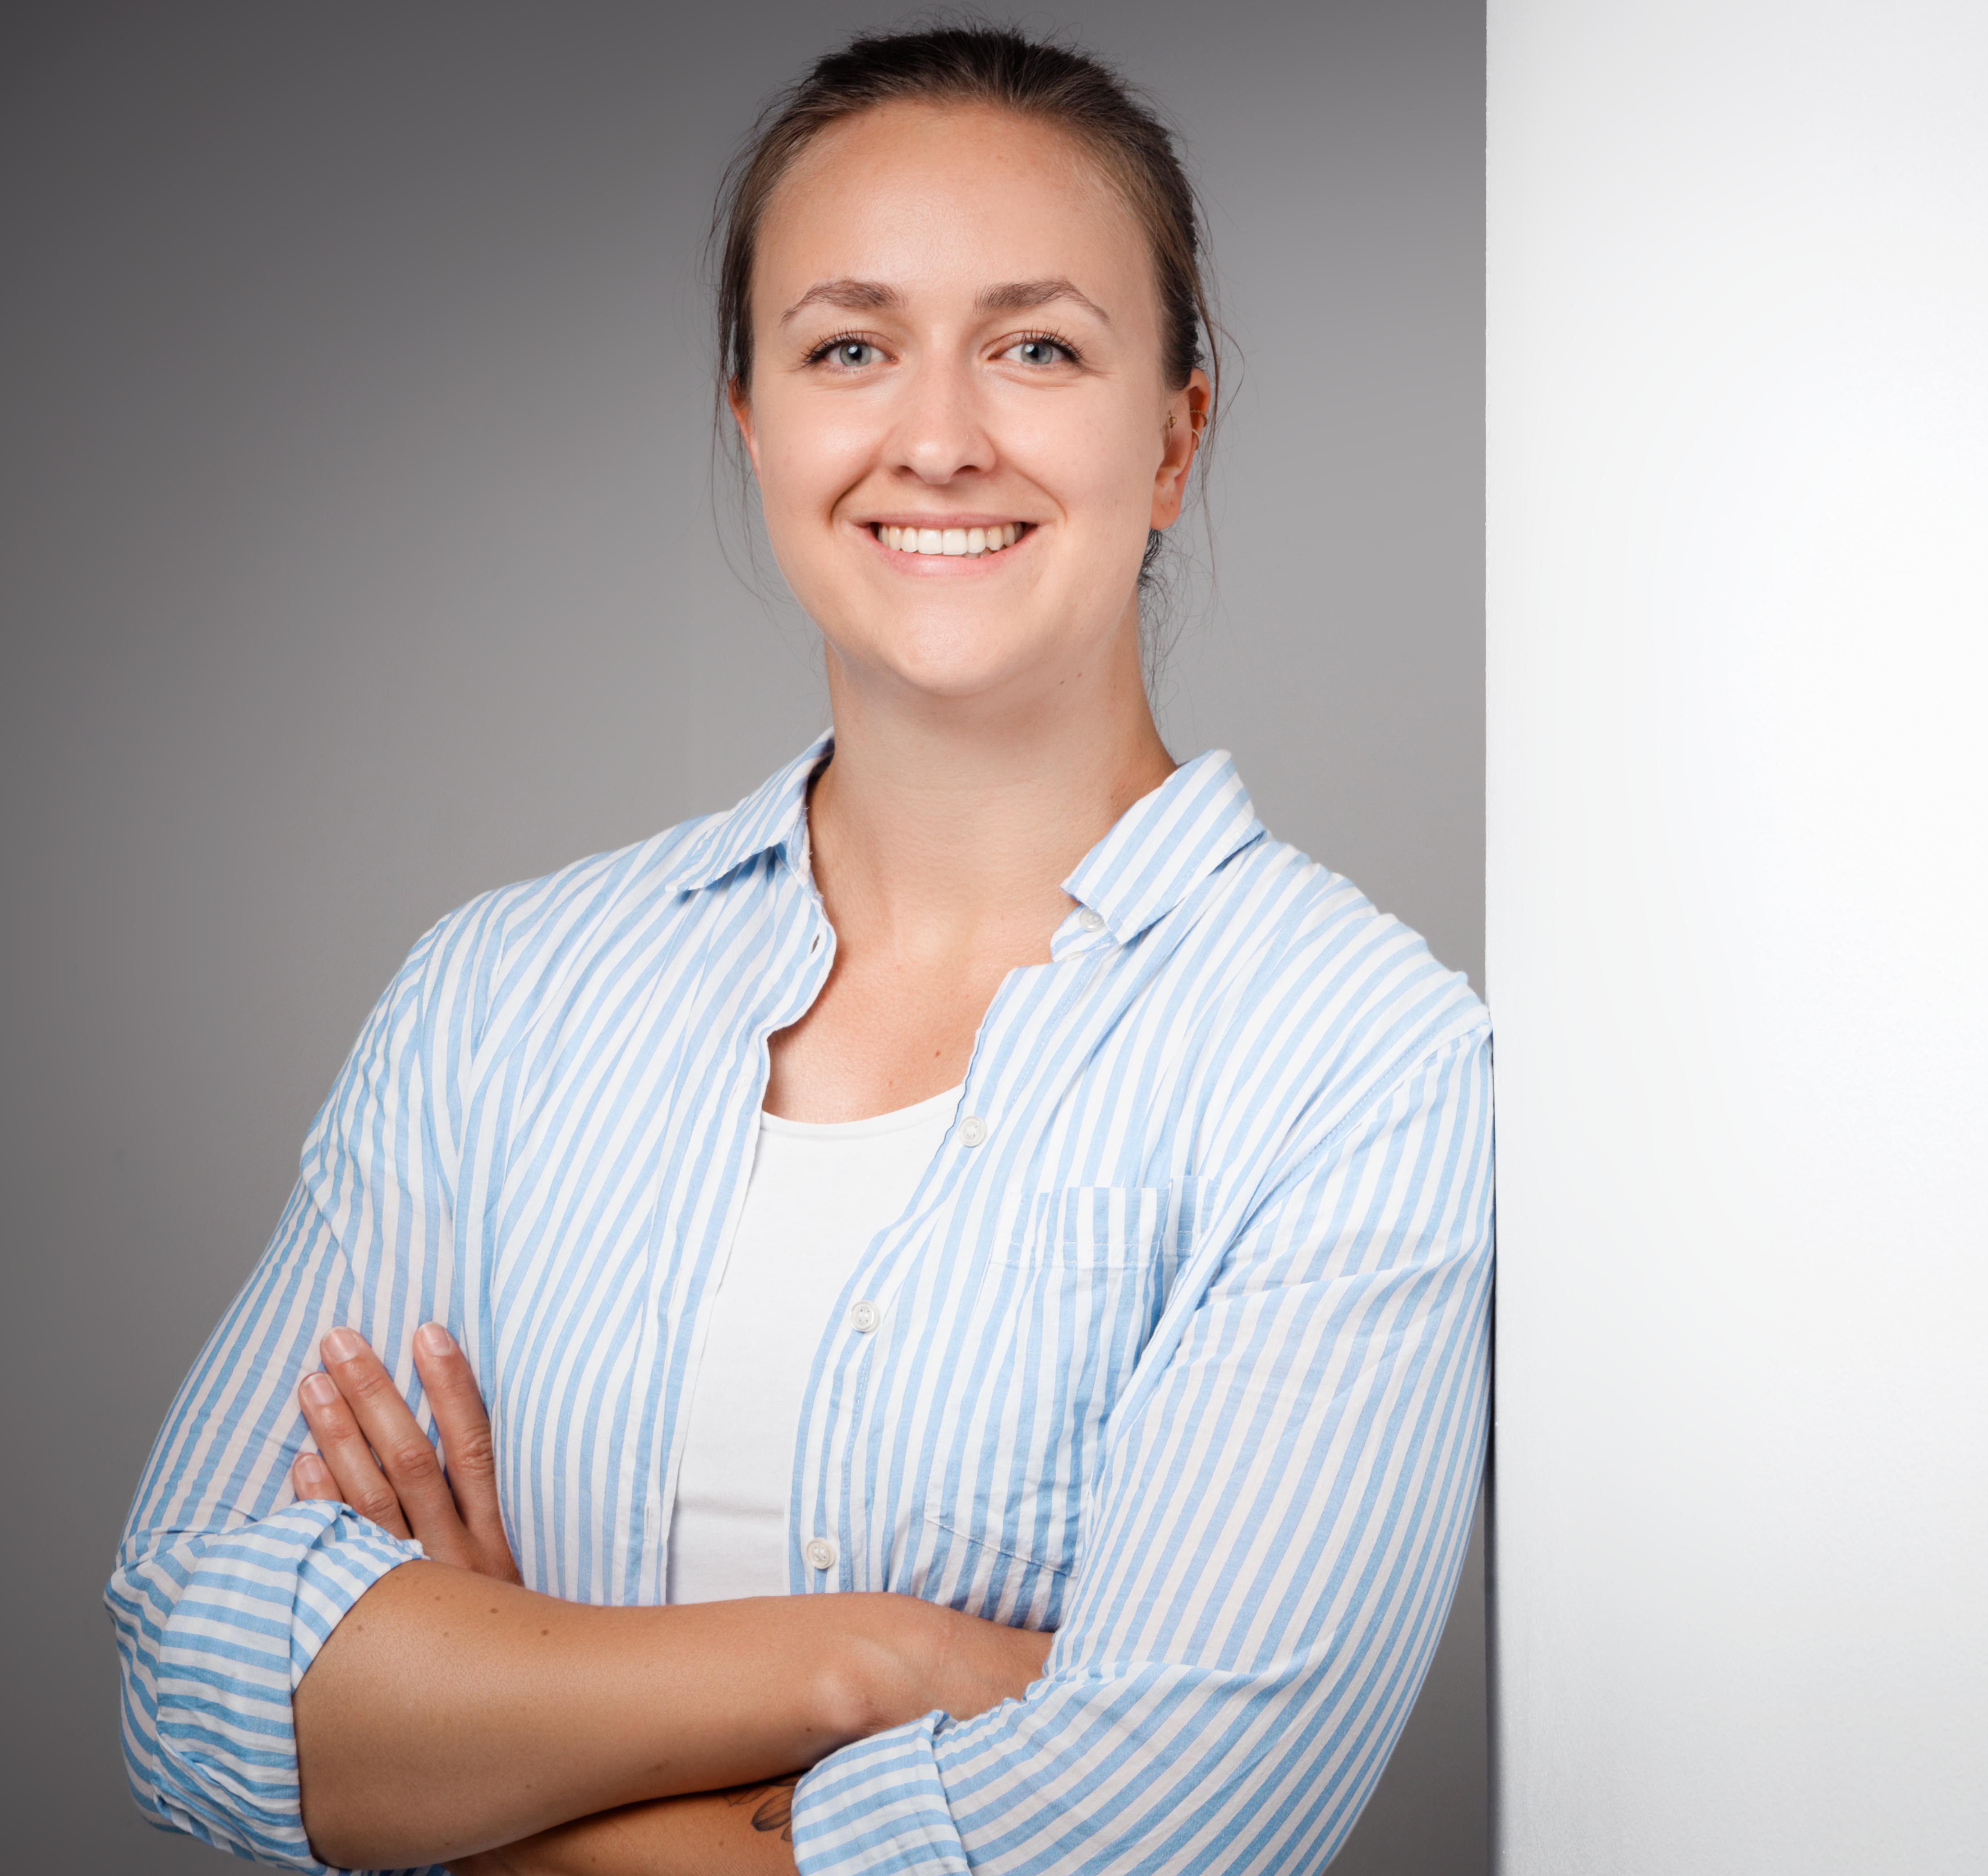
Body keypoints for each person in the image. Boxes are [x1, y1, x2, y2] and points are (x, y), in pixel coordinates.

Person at [107, 27, 1491, 1876]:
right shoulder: (502, 998)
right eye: (850, 348)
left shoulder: (1358, 1060)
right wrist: (870, 1661)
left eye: (1038, 347)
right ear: (752, 420)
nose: (939, 435)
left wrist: (479, 1748)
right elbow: (191, 1672)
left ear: (1174, 436)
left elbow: (1150, 1835)